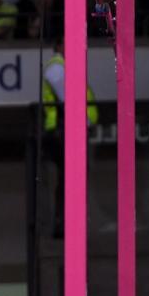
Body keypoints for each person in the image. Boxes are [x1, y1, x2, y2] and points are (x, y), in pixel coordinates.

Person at [42, 37, 99, 237]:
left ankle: (68, 222)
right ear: (59, 45)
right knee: (68, 180)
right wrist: (84, 120)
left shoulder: (65, 66)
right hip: (62, 131)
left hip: (67, 130)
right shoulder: (57, 67)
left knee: (70, 180)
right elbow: (70, 98)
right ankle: (65, 224)